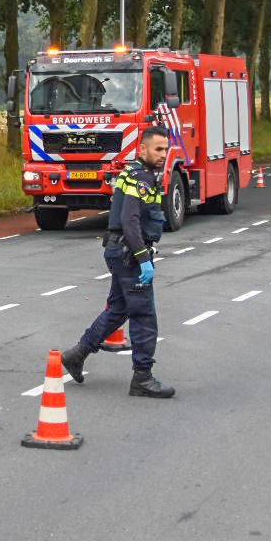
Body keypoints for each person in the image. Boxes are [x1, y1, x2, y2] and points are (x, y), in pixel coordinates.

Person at [60, 126, 176, 399]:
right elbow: (130, 220)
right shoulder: (141, 177)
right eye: (158, 149)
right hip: (129, 253)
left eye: (165, 149)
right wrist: (143, 258)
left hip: (118, 249)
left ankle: (77, 354)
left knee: (118, 309)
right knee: (144, 315)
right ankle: (142, 378)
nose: (163, 154)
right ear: (142, 149)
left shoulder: (132, 172)